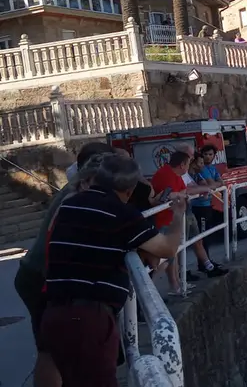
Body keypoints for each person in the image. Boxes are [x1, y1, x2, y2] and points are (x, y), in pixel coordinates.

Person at [38, 155, 187, 387]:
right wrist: (178, 215)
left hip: (53, 312)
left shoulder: (69, 204)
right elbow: (166, 249)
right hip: (89, 319)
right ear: (128, 190)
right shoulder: (121, 214)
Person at [14, 142, 116, 387]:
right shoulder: (75, 197)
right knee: (50, 349)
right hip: (39, 276)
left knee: (55, 346)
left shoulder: (76, 192)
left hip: (38, 274)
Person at [150, 150, 214, 294]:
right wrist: (181, 194)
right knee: (166, 257)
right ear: (182, 164)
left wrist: (203, 189)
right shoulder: (166, 175)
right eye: (188, 163)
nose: (188, 167)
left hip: (172, 219)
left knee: (173, 254)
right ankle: (167, 287)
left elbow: (184, 190)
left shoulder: (174, 174)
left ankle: (177, 284)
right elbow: (169, 195)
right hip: (165, 220)